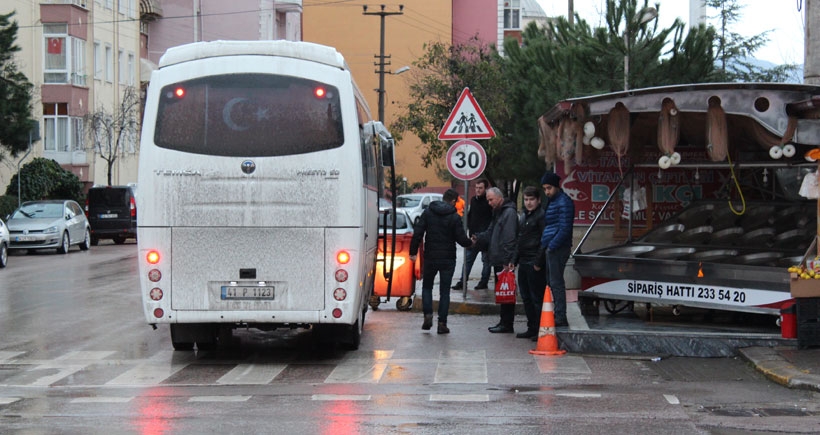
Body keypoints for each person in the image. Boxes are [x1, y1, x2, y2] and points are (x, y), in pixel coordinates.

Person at [409, 188, 473, 334]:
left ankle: (428, 315)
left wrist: (413, 252)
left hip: (430, 256)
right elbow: (461, 239)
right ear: (453, 201)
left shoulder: (428, 212)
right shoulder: (454, 217)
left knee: (427, 287)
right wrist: (471, 243)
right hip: (448, 259)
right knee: (445, 292)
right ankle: (442, 324)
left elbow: (418, 233)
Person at [473, 187, 518, 334]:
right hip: (498, 258)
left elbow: (510, 238)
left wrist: (507, 260)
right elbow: (491, 231)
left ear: (499, 198)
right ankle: (504, 321)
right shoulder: (498, 212)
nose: (489, 203)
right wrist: (478, 238)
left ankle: (507, 323)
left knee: (506, 292)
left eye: (491, 199)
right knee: (503, 292)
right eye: (488, 200)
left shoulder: (509, 213)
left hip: (503, 260)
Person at [540, 171, 575, 327]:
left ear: (556, 186)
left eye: (549, 188)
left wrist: (552, 246)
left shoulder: (563, 202)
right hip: (553, 246)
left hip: (558, 248)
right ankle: (557, 313)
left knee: (557, 283)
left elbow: (564, 228)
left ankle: (560, 316)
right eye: (544, 188)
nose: (547, 191)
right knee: (553, 282)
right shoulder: (555, 201)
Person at [513, 186, 547, 339]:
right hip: (524, 260)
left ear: (538, 200)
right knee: (526, 297)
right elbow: (520, 239)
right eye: (526, 199)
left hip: (534, 261)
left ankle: (540, 328)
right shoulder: (524, 216)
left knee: (536, 298)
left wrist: (538, 261)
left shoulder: (541, 216)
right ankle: (531, 327)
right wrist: (514, 260)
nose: (529, 202)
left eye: (531, 199)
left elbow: (544, 241)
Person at [452, 179, 493, 290]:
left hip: (485, 237)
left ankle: (483, 282)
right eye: (476, 187)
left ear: (485, 189)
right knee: (468, 260)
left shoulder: (489, 202)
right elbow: (470, 216)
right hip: (473, 237)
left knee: (486, 262)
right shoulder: (473, 200)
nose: (478, 190)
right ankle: (462, 282)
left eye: (480, 188)